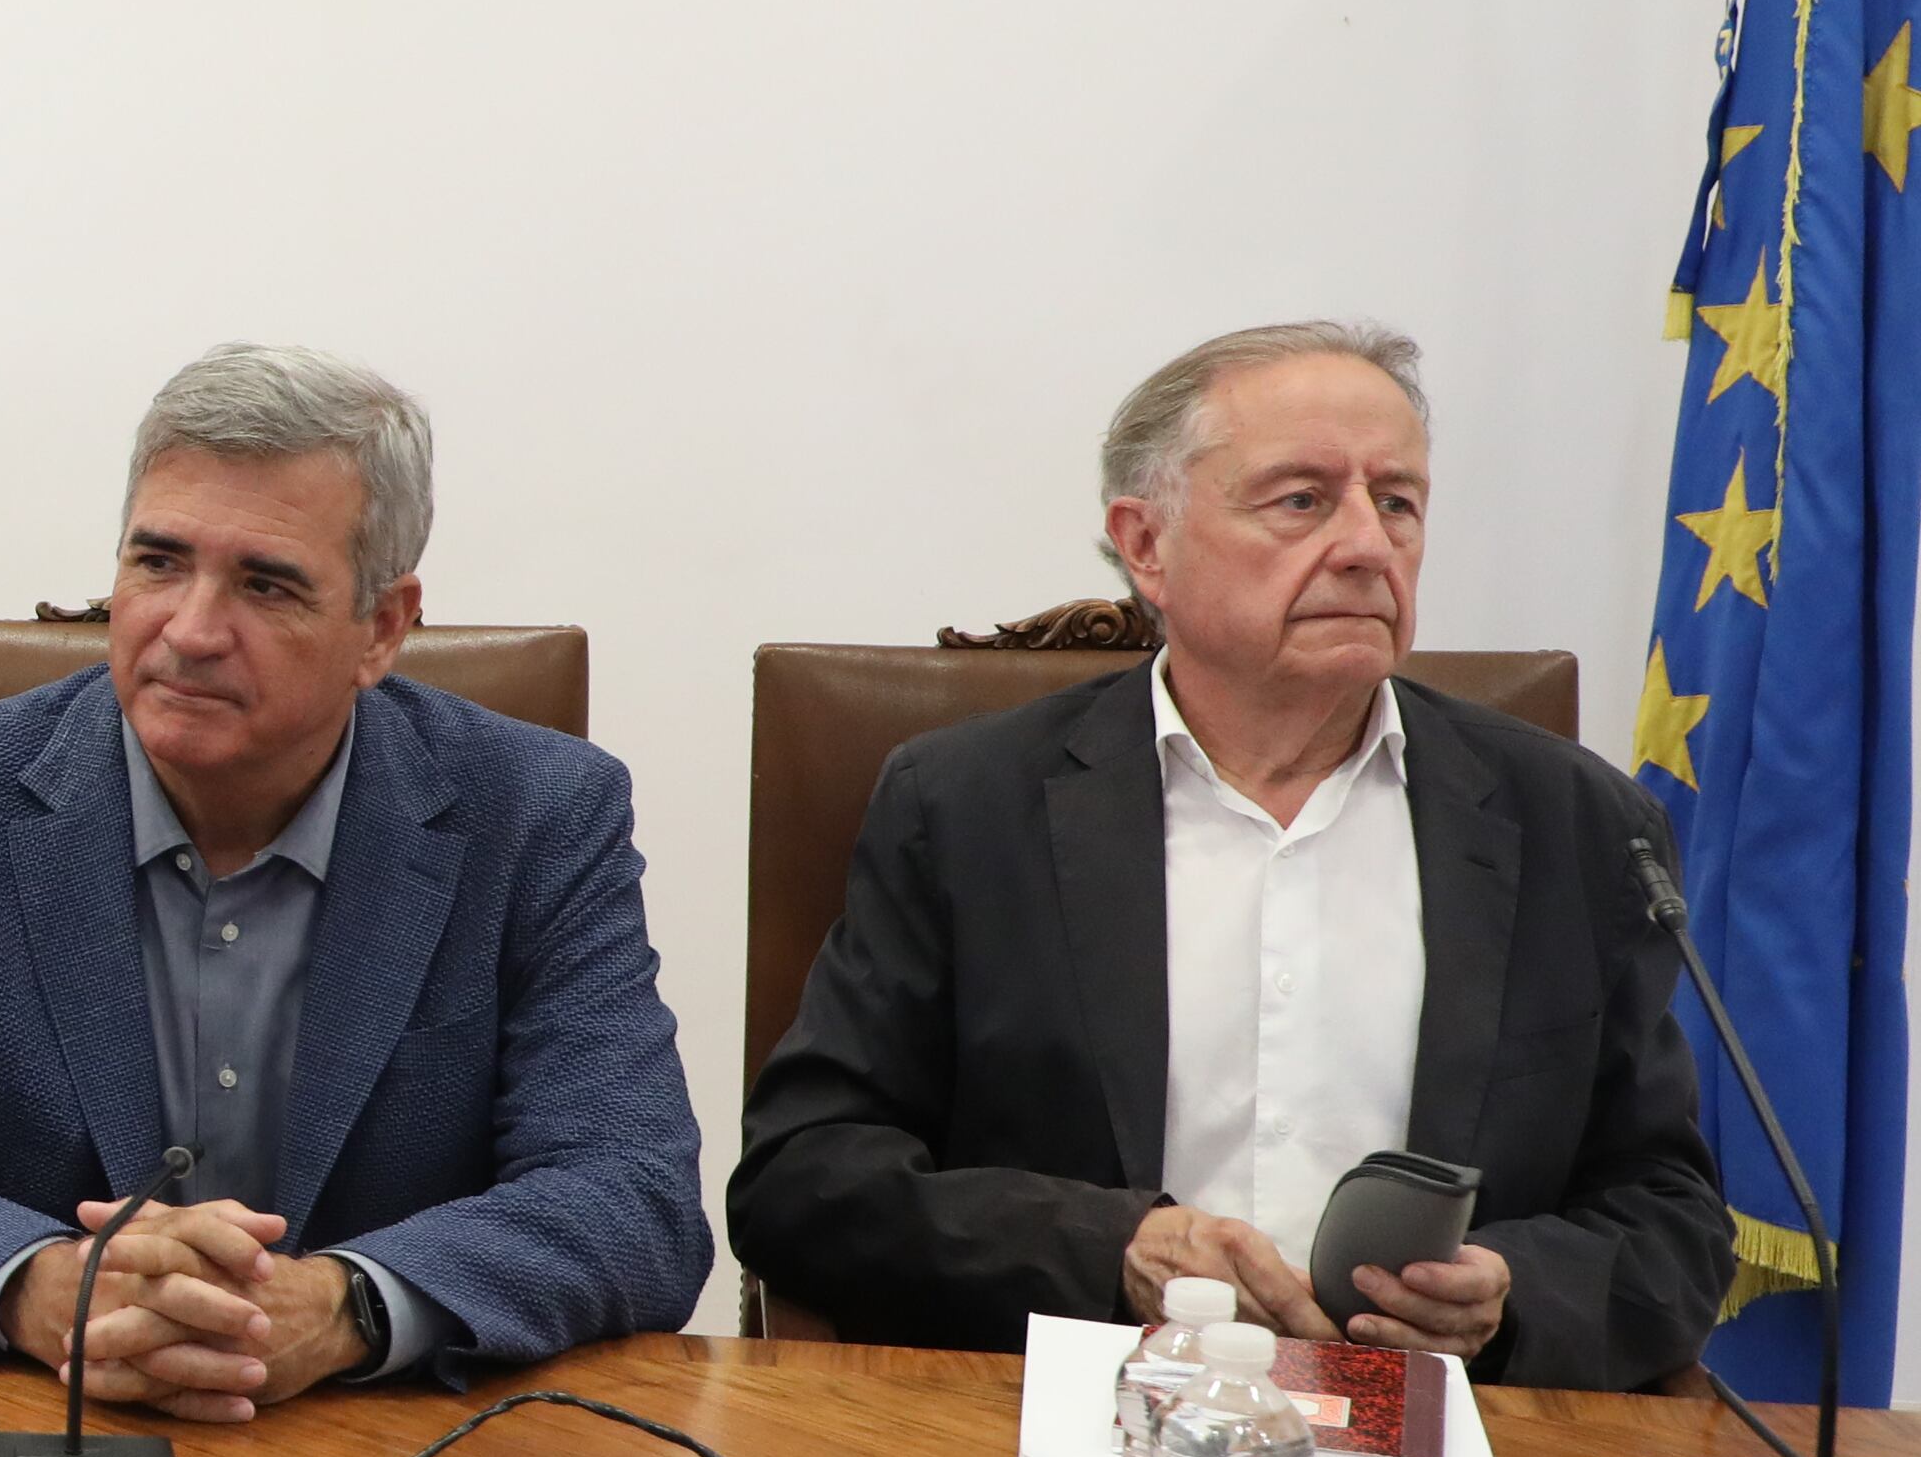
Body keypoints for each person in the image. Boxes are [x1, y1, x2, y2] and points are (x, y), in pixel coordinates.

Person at [0, 346, 708, 1407]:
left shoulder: (536, 816)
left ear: (381, 628)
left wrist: (347, 1307)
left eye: (264, 585)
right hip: (17, 1431)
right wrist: (38, 1285)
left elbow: (628, 1195)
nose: (189, 630)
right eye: (158, 563)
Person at [732, 325, 1728, 1385]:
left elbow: (1668, 1224)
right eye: (1300, 500)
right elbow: (805, 1177)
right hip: (1057, 1439)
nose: (1363, 544)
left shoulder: (1571, 823)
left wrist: (1507, 1293)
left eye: (1395, 502)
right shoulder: (967, 807)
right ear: (1144, 545)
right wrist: (1110, 1247)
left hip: (1438, 1455)